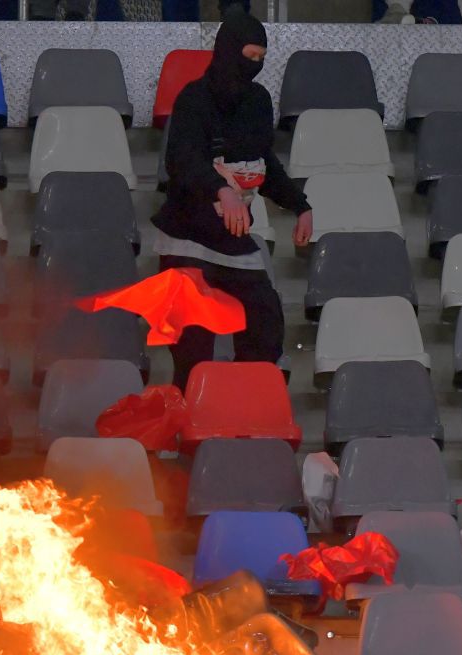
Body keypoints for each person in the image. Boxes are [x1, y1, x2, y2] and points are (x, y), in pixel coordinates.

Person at [151, 4, 311, 391]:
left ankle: (246, 408)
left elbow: (264, 163)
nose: (254, 65)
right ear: (227, 50)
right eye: (248, 57)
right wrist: (222, 189)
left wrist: (300, 206)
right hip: (188, 241)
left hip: (234, 240)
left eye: (260, 59)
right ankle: (187, 431)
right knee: (193, 346)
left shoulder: (257, 102)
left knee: (265, 325)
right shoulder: (194, 99)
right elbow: (182, 160)